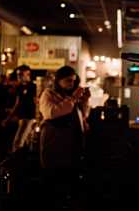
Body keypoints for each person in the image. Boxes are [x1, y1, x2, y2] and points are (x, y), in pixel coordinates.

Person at [39, 66, 90, 209]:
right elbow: (52, 113)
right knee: (54, 183)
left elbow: (83, 115)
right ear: (58, 80)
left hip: (73, 148)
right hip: (54, 146)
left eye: (74, 81)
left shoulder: (73, 97)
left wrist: (84, 100)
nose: (71, 84)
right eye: (68, 81)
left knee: (71, 183)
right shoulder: (48, 94)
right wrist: (73, 98)